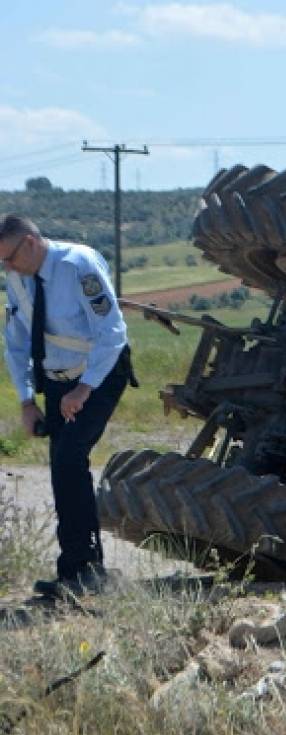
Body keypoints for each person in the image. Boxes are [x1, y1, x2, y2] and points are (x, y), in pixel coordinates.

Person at [2, 214, 134, 598]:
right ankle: (73, 571)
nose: (6, 268)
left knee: (69, 459)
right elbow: (17, 344)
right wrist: (27, 400)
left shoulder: (78, 265)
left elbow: (112, 333)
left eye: (9, 258)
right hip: (59, 380)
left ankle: (90, 569)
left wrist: (85, 389)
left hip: (101, 373)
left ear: (29, 242)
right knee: (62, 468)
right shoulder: (17, 279)